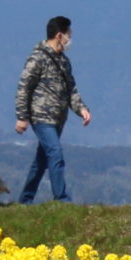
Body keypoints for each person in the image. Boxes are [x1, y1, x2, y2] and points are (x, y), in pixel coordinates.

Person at [13, 16, 94, 204]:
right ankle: (61, 198)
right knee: (55, 152)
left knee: (41, 161)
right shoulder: (37, 58)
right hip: (41, 117)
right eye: (68, 35)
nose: (70, 39)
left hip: (58, 118)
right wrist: (22, 117)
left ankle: (25, 200)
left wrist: (81, 109)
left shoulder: (64, 62)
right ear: (59, 35)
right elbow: (24, 87)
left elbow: (71, 88)